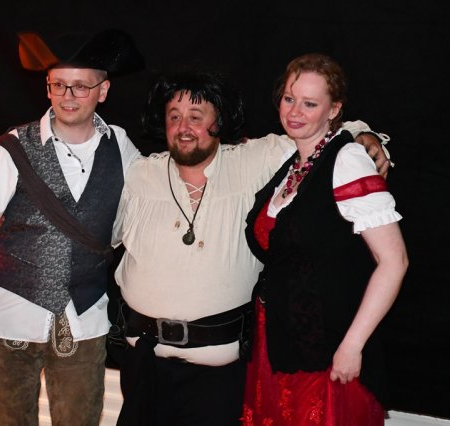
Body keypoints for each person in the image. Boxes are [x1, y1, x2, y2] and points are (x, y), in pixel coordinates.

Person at [112, 70, 390, 425]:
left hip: (220, 378)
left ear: (220, 121)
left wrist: (364, 134)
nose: (184, 127)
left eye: (196, 117)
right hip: (143, 365)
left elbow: (319, 131)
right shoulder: (139, 174)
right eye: (174, 116)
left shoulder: (255, 160)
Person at [0, 29, 143, 425]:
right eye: (58, 85)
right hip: (9, 318)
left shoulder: (122, 147)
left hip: (85, 321)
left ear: (103, 90)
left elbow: (144, 211)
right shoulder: (11, 149)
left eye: (81, 86)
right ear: (47, 87)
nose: (68, 96)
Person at [241, 53, 408, 425]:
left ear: (333, 110)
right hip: (278, 341)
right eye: (289, 99)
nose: (295, 112)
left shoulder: (348, 160)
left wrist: (353, 345)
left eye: (310, 103)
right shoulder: (293, 163)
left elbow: (394, 262)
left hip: (327, 350)